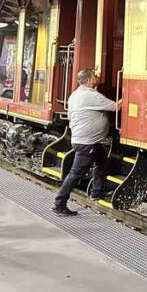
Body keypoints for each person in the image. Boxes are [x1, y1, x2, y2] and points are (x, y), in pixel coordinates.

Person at [53, 68, 121, 216]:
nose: (97, 77)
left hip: (86, 141)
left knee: (101, 160)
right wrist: (129, 94)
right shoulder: (91, 96)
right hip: (86, 143)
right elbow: (116, 107)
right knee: (75, 173)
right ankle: (59, 204)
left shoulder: (75, 95)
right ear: (90, 80)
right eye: (95, 76)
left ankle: (97, 191)